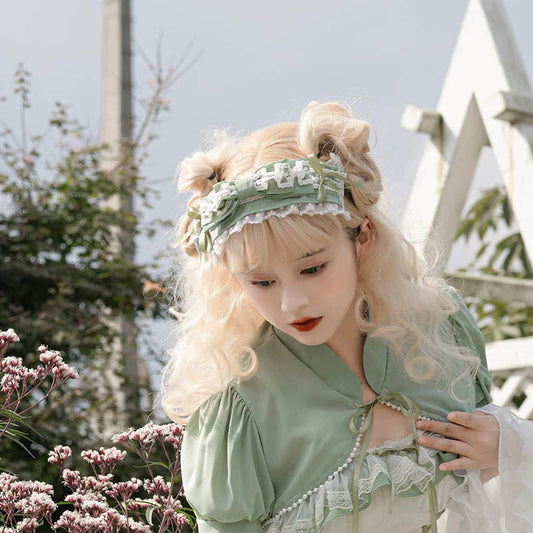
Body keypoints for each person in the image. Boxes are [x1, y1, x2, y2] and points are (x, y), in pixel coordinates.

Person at [161, 102, 533, 532]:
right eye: (262, 282)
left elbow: (490, 502)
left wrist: (508, 450)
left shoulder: (443, 332)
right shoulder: (237, 407)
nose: (292, 303)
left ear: (364, 238)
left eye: (313, 268)